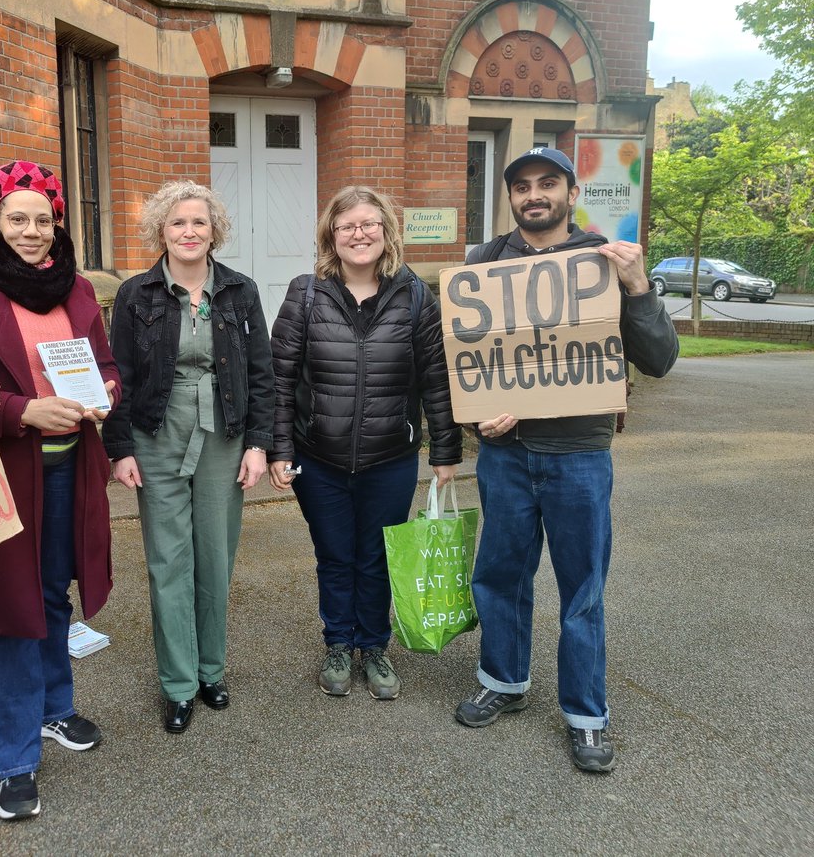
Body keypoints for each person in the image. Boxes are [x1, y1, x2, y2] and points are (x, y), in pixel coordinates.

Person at [453, 147, 679, 772]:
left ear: (570, 192)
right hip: (504, 456)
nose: (534, 195)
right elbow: (466, 362)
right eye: (522, 185)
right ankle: (503, 680)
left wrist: (638, 288)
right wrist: (477, 416)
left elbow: (658, 360)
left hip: (580, 453)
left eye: (547, 183)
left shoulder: (604, 260)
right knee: (499, 575)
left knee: (582, 589)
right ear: (511, 198)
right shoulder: (484, 265)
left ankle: (586, 715)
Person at [0, 160, 120, 821]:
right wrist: (20, 412)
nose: (32, 231)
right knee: (13, 610)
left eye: (42, 219)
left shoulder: (80, 292)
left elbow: (103, 365)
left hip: (70, 466)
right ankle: (14, 758)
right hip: (3, 470)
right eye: (18, 218)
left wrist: (105, 396)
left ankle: (54, 709)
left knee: (53, 592)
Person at [268, 185, 462, 700]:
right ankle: (338, 642)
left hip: (390, 457)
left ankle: (374, 646)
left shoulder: (416, 295)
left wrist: (446, 451)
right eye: (347, 225)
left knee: (376, 556)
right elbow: (280, 380)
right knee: (334, 555)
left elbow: (436, 380)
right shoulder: (305, 293)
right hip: (319, 456)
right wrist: (279, 449)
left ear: (386, 232)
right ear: (332, 235)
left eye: (369, 224)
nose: (359, 234)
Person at [103, 180, 274, 734]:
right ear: (162, 231)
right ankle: (178, 683)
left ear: (214, 230)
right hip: (157, 431)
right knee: (167, 561)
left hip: (224, 432)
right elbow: (119, 377)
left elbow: (262, 375)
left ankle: (211, 670)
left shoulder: (241, 292)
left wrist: (257, 443)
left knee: (215, 556)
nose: (189, 231)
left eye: (199, 222)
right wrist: (120, 448)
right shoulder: (136, 294)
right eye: (178, 222)